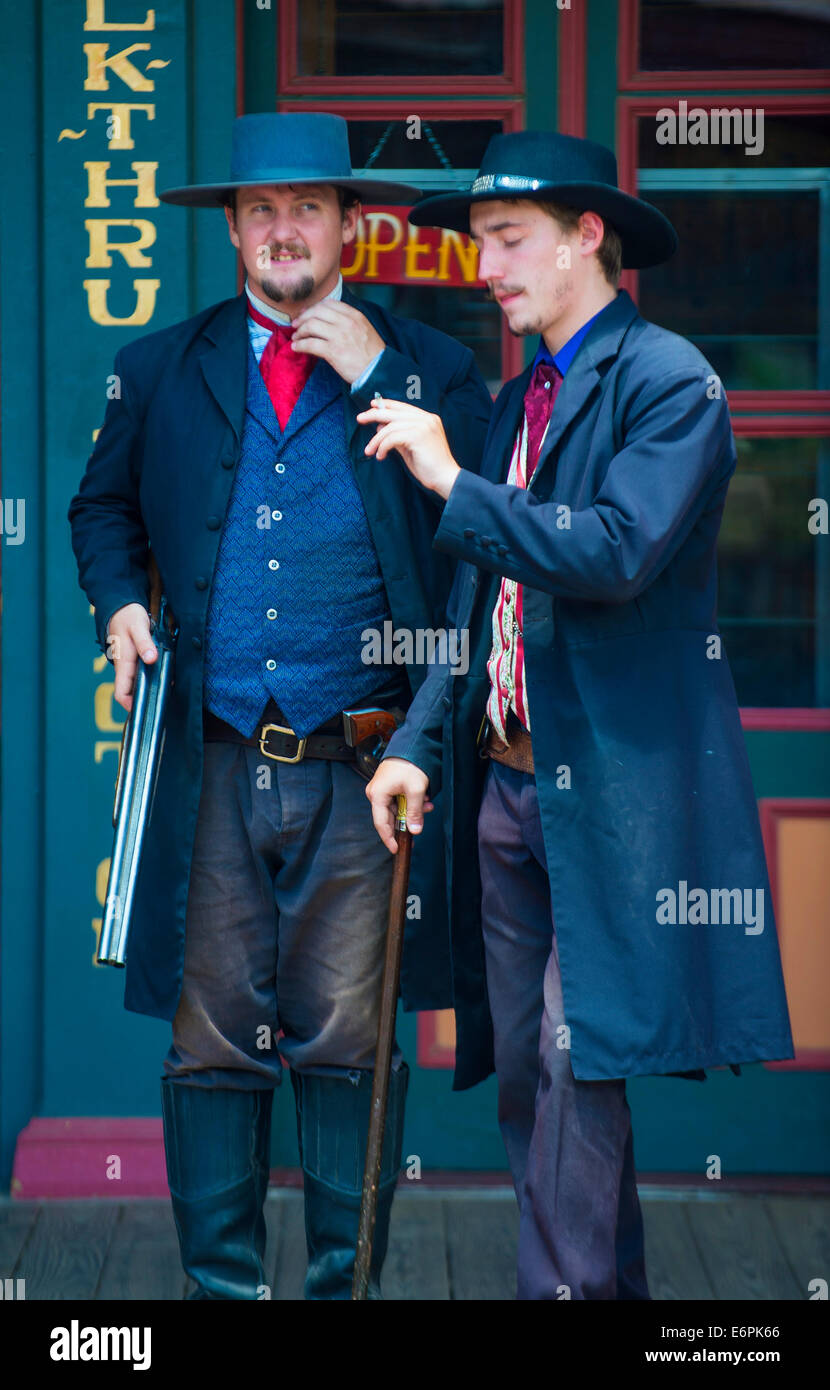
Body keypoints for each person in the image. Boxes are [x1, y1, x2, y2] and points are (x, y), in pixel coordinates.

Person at [364, 129, 795, 1301]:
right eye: (479, 244)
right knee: (532, 1078)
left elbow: (611, 553)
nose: (486, 268)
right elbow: (477, 599)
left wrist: (455, 482)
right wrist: (414, 747)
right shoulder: (518, 400)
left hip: (612, 794)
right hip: (506, 786)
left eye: (507, 241)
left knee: (572, 1064)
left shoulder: (671, 381)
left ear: (585, 236)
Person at [68, 111, 492, 1300]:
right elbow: (99, 510)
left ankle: (337, 1294)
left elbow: (478, 534)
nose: (283, 229)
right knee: (209, 1040)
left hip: (364, 768)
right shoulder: (161, 365)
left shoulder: (434, 367)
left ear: (350, 225)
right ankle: (222, 1292)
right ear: (233, 230)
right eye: (261, 210)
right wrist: (118, 607)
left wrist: (378, 375)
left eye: (307, 206)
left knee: (350, 1040)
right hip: (212, 763)